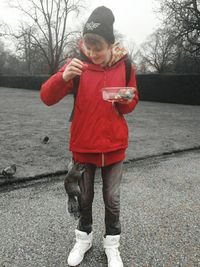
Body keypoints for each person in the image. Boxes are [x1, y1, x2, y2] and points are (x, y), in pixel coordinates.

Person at [40, 6, 139, 267]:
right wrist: (62, 77)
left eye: (99, 47)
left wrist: (122, 97)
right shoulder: (76, 65)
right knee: (84, 198)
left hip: (114, 146)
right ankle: (83, 239)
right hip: (83, 148)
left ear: (111, 44)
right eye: (89, 46)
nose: (93, 53)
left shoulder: (127, 65)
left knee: (112, 199)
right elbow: (46, 97)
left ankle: (112, 244)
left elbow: (130, 103)